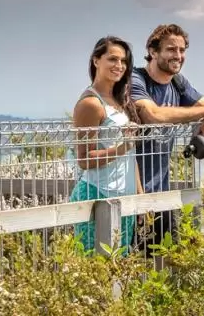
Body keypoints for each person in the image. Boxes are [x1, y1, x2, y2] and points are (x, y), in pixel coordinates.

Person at [128, 23, 204, 257]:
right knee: (130, 267)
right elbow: (153, 115)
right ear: (153, 51)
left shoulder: (178, 83)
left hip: (162, 192)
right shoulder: (135, 79)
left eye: (182, 50)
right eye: (171, 49)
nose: (178, 56)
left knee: (166, 263)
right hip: (132, 193)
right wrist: (203, 115)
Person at [70, 36, 143, 254]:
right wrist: (122, 147)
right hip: (97, 195)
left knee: (118, 270)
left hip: (124, 197)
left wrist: (140, 196)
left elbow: (131, 155)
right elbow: (84, 159)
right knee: (96, 270)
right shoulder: (91, 103)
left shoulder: (121, 101)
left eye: (123, 61)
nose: (119, 66)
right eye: (112, 59)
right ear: (96, 61)